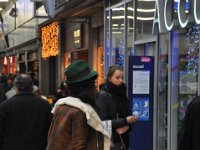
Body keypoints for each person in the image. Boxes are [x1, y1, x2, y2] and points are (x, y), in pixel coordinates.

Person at [46, 60, 111, 150]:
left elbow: (50, 137)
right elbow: (78, 147)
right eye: (93, 84)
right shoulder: (80, 111)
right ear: (84, 88)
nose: (95, 88)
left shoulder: (61, 106)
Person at [0, 74, 52, 150]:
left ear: (17, 87)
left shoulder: (5, 106)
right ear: (31, 87)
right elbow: (50, 131)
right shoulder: (45, 105)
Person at [95, 65, 137, 149]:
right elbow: (101, 121)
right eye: (117, 77)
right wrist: (124, 121)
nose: (121, 80)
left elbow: (129, 116)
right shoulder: (103, 95)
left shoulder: (122, 94)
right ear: (109, 78)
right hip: (110, 141)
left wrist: (128, 127)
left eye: (122, 77)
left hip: (123, 141)